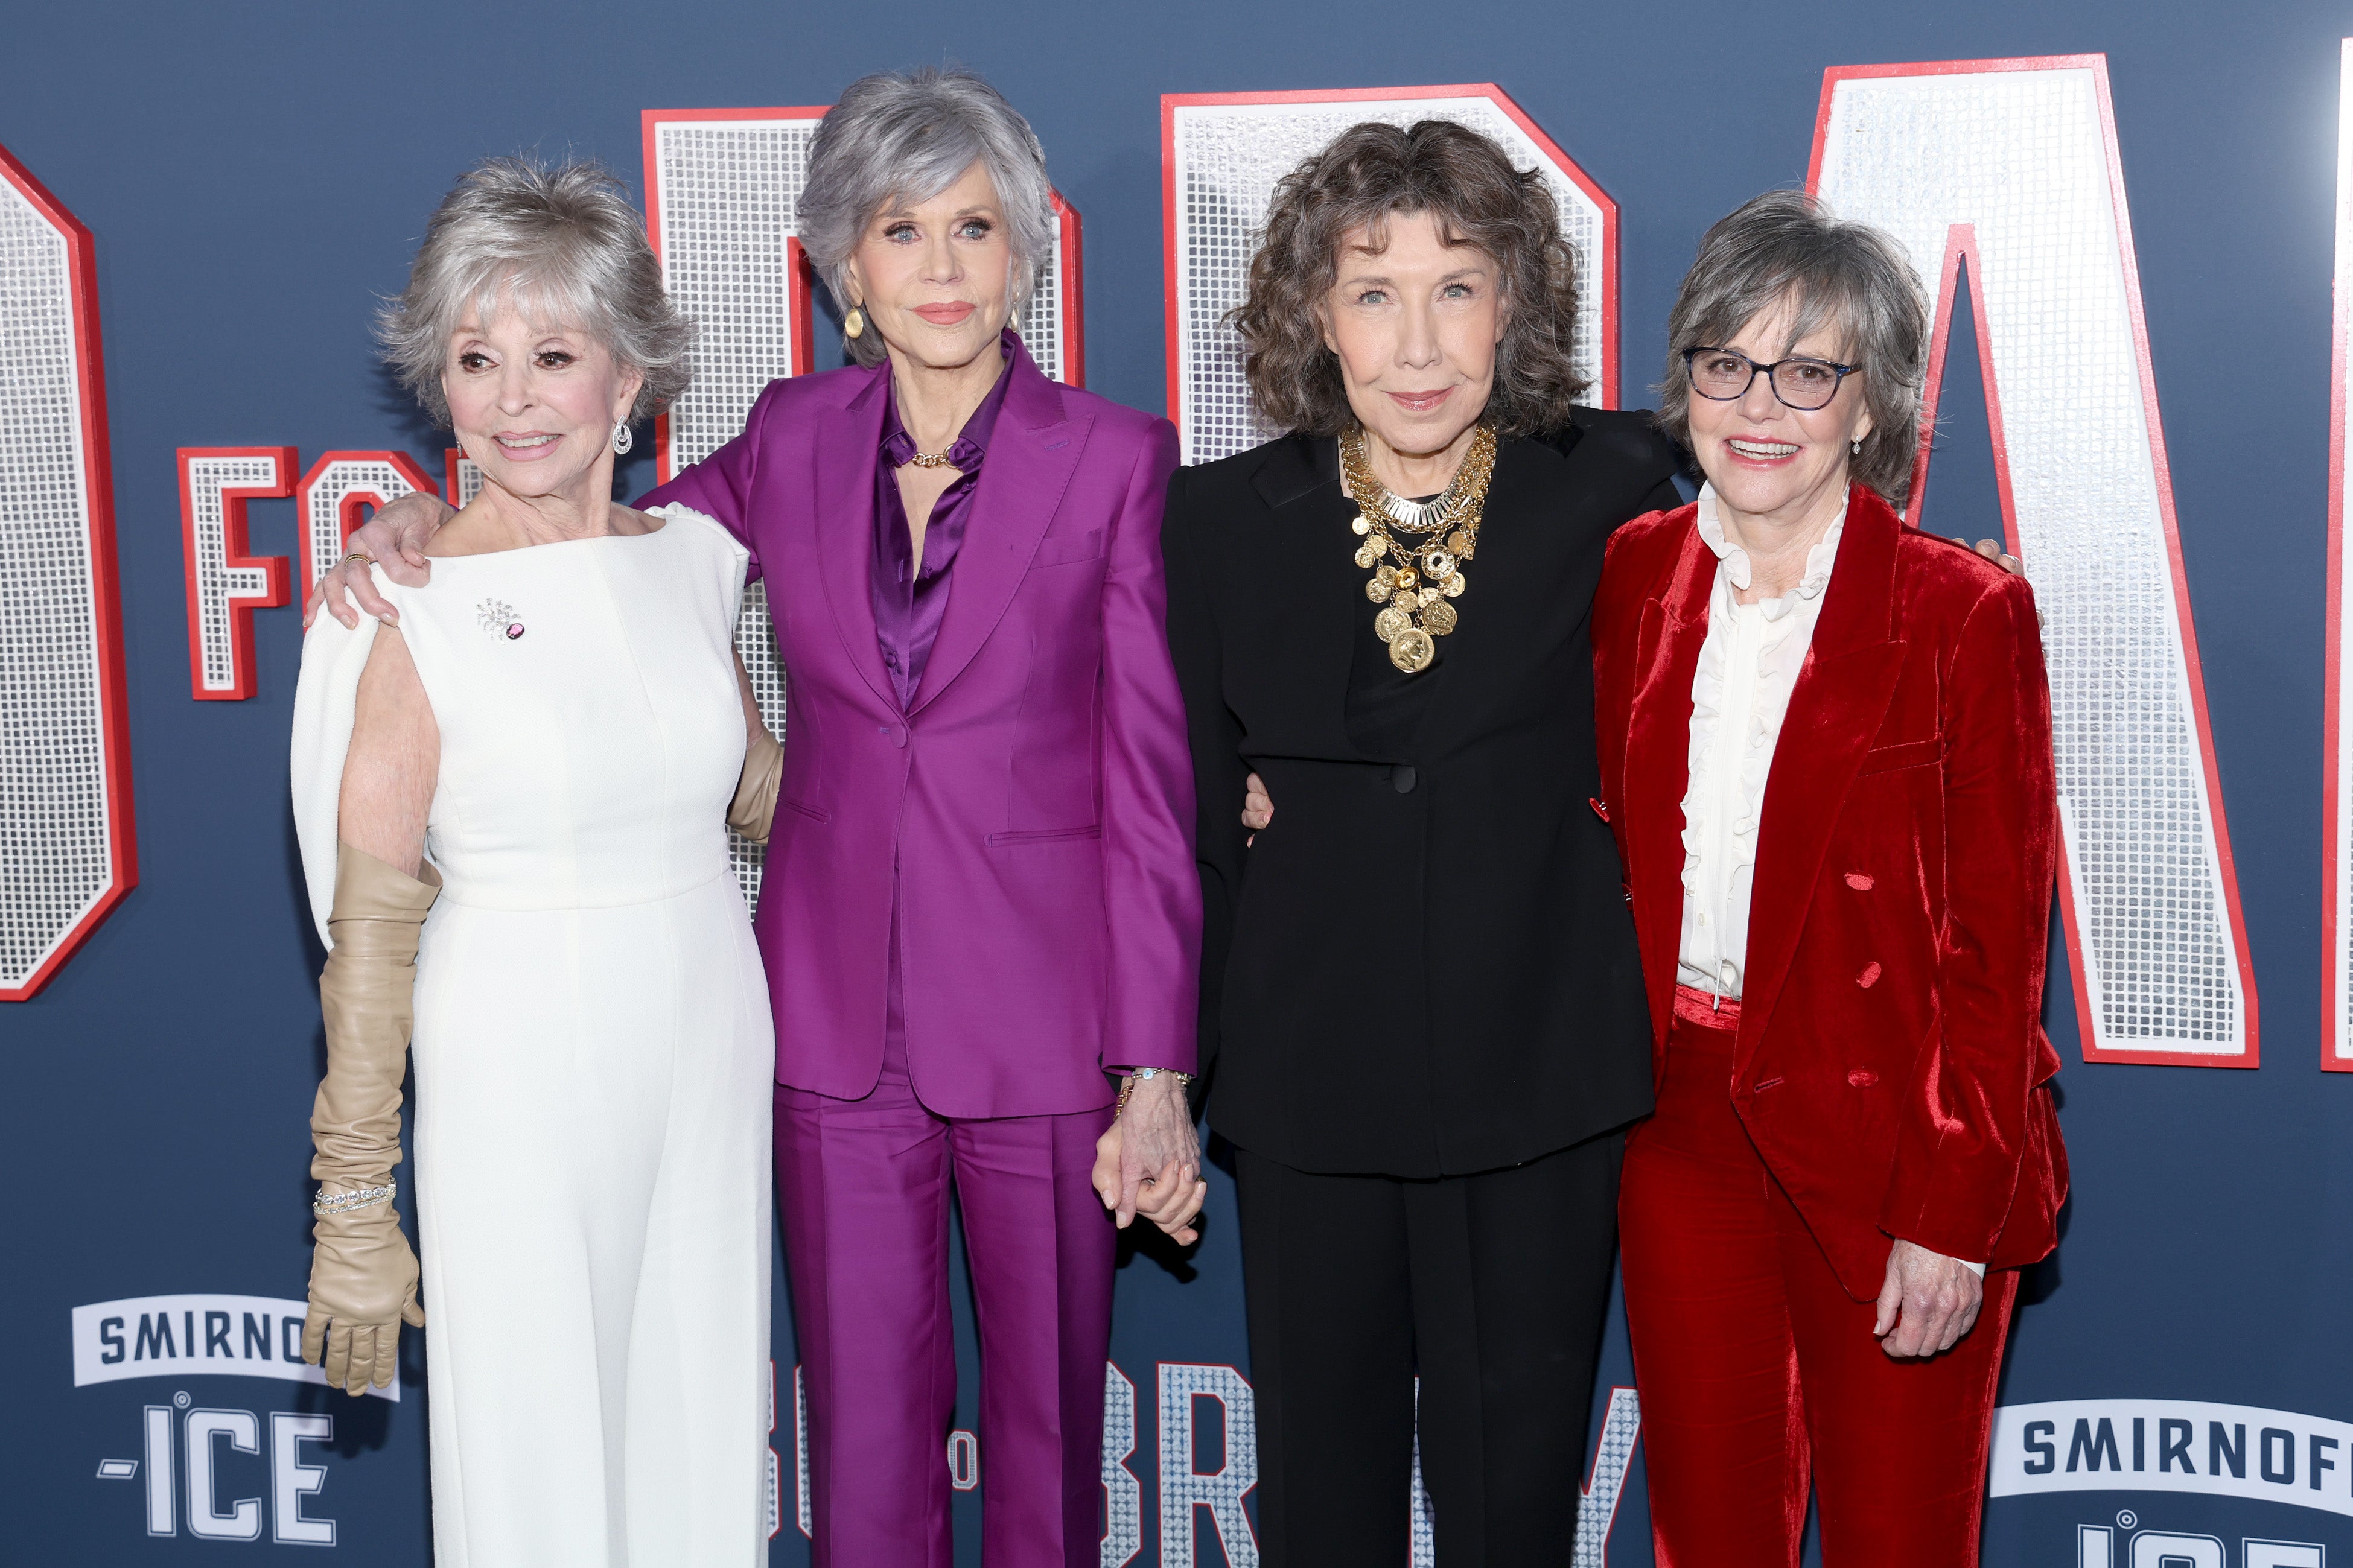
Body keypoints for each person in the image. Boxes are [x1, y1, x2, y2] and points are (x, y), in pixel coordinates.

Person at [313, 68, 1203, 1568]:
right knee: (863, 1440)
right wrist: (415, 516)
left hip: (1047, 1028)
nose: (938, 267)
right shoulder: (792, 439)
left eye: (974, 229)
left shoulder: (1112, 460)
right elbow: (596, 535)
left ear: (1025, 256)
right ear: (841, 266)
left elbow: (1151, 782)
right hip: (825, 1029)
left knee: (1053, 1447)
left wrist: (1157, 1066)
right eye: (899, 231)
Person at [1160, 119, 1680, 1563]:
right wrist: (1163, 1073)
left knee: (1514, 1503)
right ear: (1313, 318)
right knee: (1323, 1506)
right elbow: (1189, 818)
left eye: (1456, 286)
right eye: (1373, 291)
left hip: (1540, 1076)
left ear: (1513, 302)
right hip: (1309, 1076)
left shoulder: (1622, 483)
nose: (1417, 340)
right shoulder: (1212, 523)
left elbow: (1800, 501)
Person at [289, 156, 774, 1565]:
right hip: (513, 1056)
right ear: (440, 385)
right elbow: (369, 944)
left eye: (553, 356)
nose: (512, 399)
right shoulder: (410, 602)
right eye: (476, 358)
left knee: (695, 1427)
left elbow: (767, 798)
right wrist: (355, 1204)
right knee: (538, 1460)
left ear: (628, 380)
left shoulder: (693, 561)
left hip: (706, 1042)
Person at [1590, 191, 2068, 1565]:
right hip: (1679, 1125)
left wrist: (1951, 1211)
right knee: (1709, 1533)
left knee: (1898, 1540)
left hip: (1888, 1132)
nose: (1760, 404)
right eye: (1726, 363)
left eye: (1809, 372)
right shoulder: (1631, 577)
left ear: (1872, 406)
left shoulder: (1961, 611)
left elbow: (1996, 944)